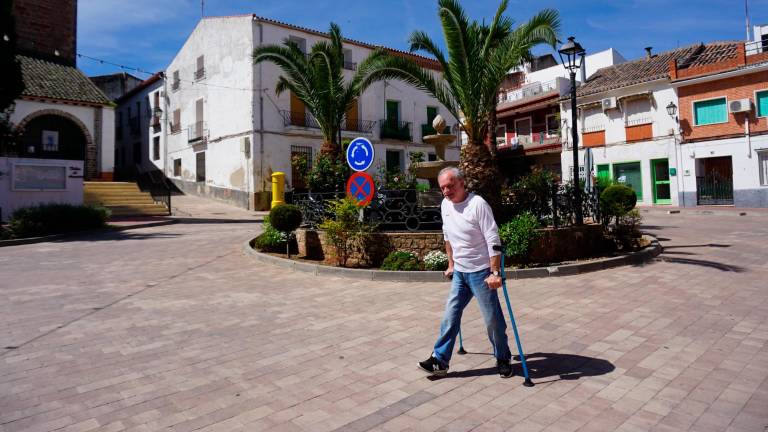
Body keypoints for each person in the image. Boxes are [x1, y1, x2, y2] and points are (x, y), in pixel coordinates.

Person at [418, 166, 513, 378]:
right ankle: (440, 360)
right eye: (442, 187)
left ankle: (503, 356)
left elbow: (493, 239)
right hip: (460, 273)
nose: (445, 191)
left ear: (462, 183)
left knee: (492, 320)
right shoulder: (445, 205)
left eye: (450, 186)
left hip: (481, 272)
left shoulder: (477, 205)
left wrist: (495, 272)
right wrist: (451, 264)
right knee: (450, 316)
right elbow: (447, 235)